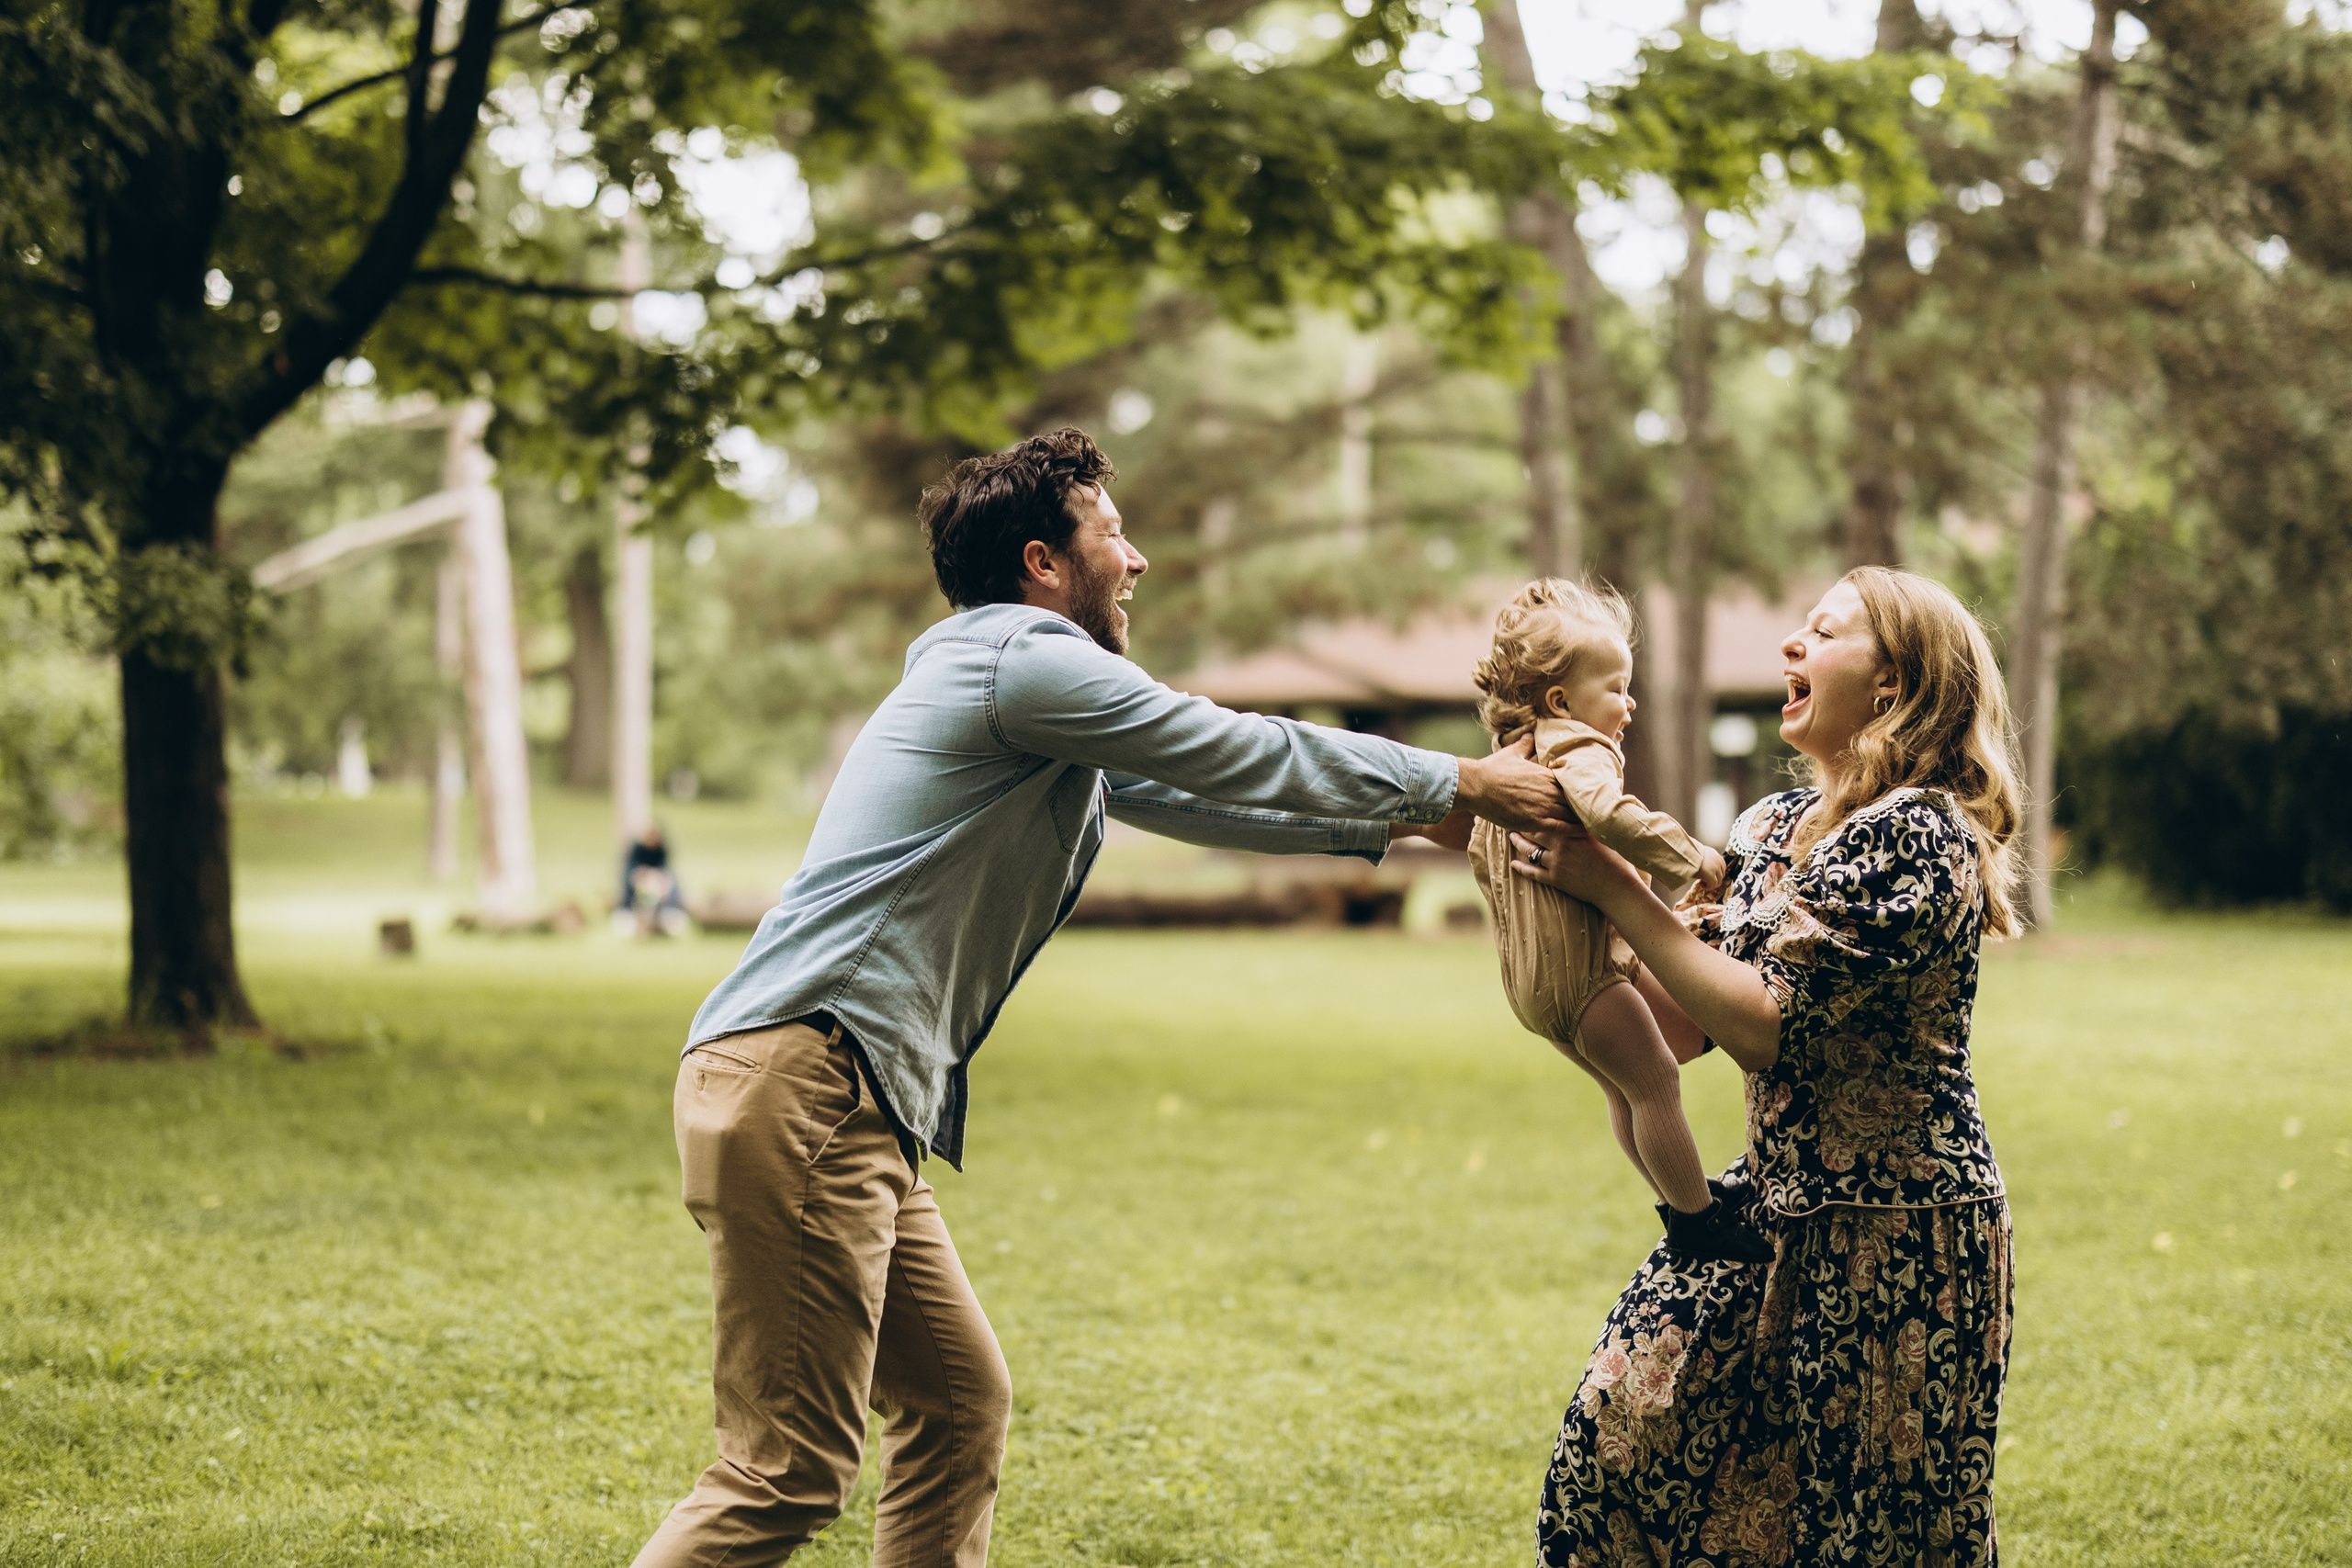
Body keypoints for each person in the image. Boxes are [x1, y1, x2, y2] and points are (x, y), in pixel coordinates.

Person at [630, 428, 1563, 1568]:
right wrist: (1454, 777)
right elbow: (1222, 743)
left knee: (956, 1406)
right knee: (781, 1472)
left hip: (833, 1095)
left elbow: (1194, 793)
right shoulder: (1023, 662)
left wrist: (1422, 819)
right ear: (1043, 562)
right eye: (1114, 537)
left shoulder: (1012, 686)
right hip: (813, 1088)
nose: (1139, 561)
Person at [1510, 567, 2021, 1566]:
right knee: (1617, 1462)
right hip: (1769, 1214)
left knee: (1868, 1531)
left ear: (1892, 683)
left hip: (1895, 1239)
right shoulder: (1767, 829)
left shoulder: (1919, 835)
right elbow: (1693, 1019)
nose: (1791, 645)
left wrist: (1617, 889)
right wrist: (1560, 967)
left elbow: (1765, 1028)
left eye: (1822, 632)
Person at [1465, 579, 1769, 1264]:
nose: (1628, 704)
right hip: (1582, 975)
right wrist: (1695, 857)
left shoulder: (1503, 768)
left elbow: (1491, 869)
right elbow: (1610, 815)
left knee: (1626, 1087)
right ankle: (1696, 1222)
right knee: (1655, 1080)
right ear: (1561, 701)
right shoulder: (1579, 746)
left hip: (1533, 983)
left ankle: (1681, 1197)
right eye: (1617, 687)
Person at [617, 824, 689, 937]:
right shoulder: (636, 852)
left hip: (661, 897)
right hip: (636, 898)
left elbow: (668, 875)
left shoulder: (661, 851)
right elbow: (628, 878)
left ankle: (662, 921)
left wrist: (659, 878)